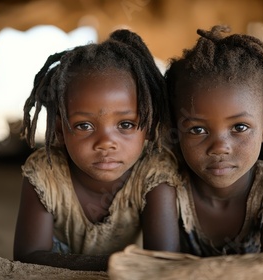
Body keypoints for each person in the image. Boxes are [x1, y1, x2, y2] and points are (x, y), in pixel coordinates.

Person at [13, 29, 181, 271]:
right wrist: (116, 265)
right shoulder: (45, 173)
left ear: (149, 126)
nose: (105, 142)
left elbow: (163, 261)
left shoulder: (154, 173)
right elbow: (27, 256)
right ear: (60, 131)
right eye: (84, 125)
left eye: (125, 124)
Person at [164, 25, 263, 256]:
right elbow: (158, 267)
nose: (220, 147)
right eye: (198, 129)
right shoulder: (167, 183)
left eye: (239, 127)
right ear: (175, 129)